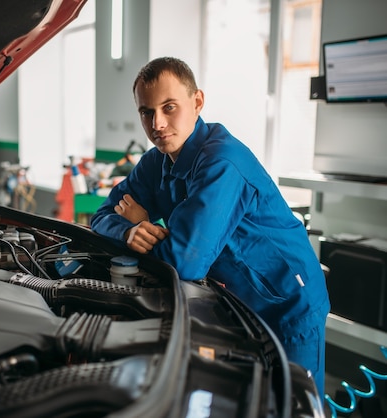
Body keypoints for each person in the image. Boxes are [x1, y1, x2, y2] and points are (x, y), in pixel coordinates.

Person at [90, 57, 330, 401]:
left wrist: (144, 223)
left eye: (169, 107)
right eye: (146, 112)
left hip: (288, 304)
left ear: (197, 102)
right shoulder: (156, 162)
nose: (157, 123)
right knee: (243, 399)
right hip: (235, 299)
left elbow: (185, 262)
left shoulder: (221, 162)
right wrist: (129, 232)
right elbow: (101, 215)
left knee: (292, 404)